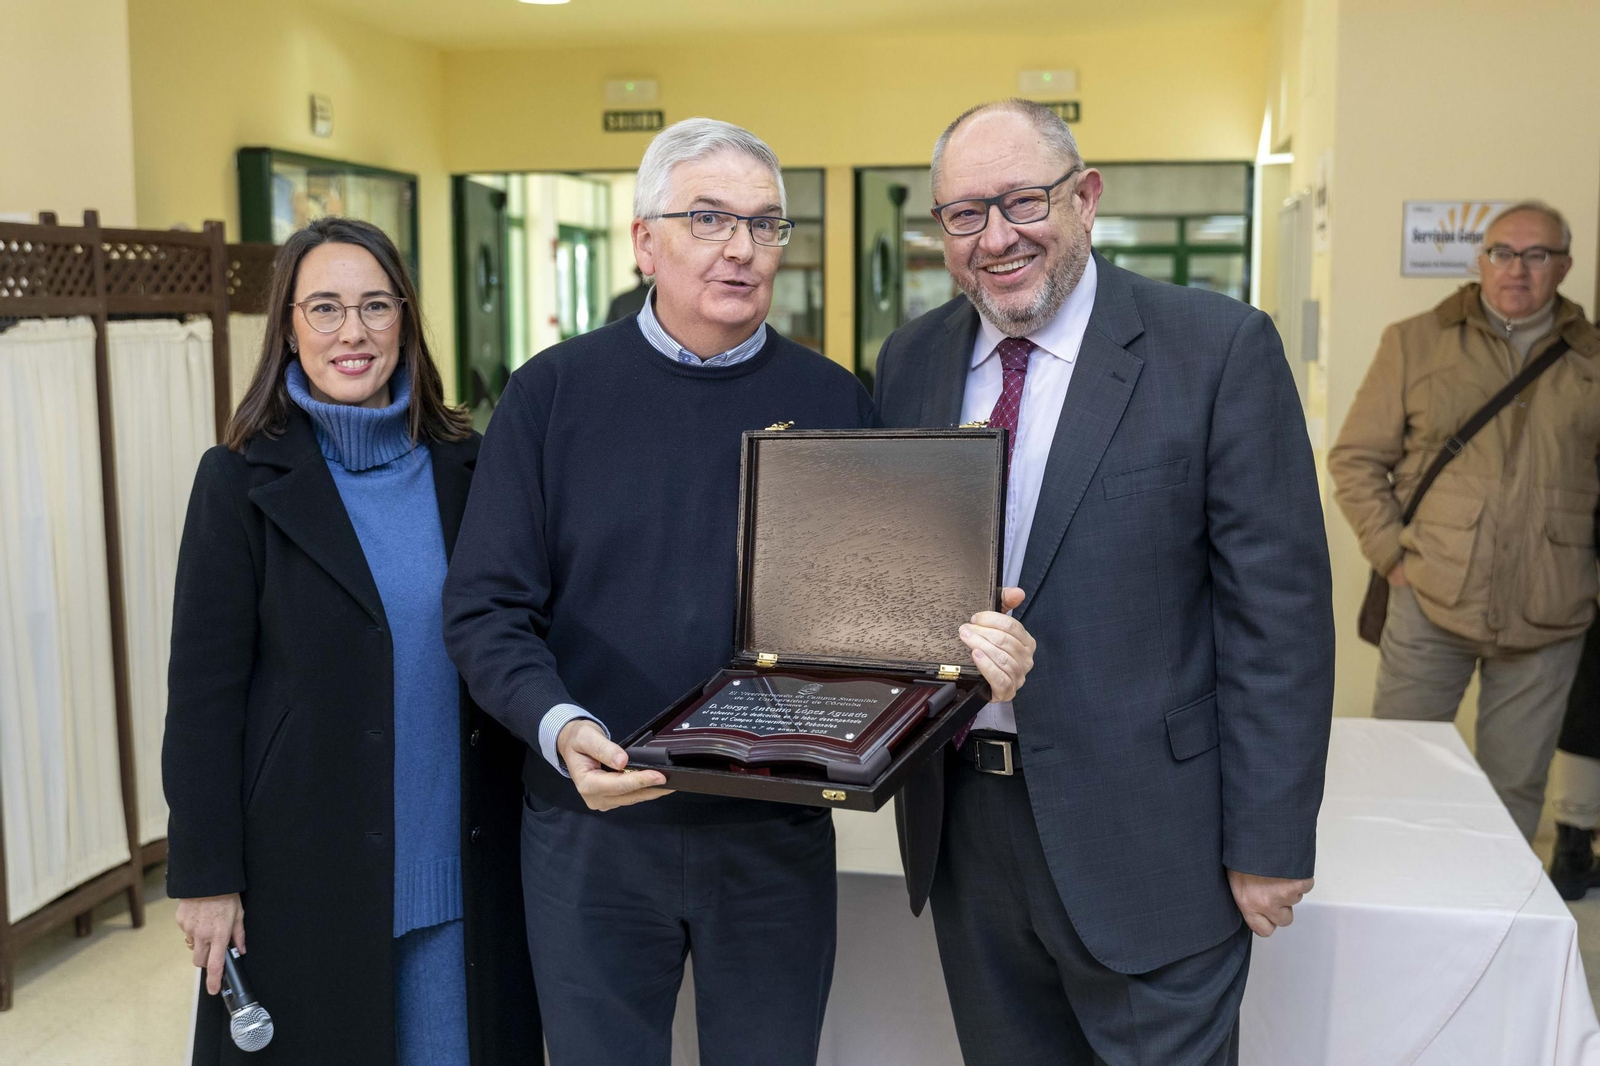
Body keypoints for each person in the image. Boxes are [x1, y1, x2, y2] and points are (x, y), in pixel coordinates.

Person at [442, 117, 1035, 1066]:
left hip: (774, 834)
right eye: (709, 218)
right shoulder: (550, 395)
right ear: (645, 240)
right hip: (593, 830)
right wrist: (560, 729)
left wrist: (960, 647)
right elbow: (484, 611)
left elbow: (876, 618)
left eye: (765, 225)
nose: (741, 249)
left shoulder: (837, 399)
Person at [875, 99, 1334, 1066]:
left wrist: (1271, 839)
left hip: (1153, 844)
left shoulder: (1215, 349)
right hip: (967, 827)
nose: (996, 237)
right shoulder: (912, 359)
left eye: (1023, 201)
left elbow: (1279, 621)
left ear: (1085, 199)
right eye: (964, 213)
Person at [164, 217, 536, 1065]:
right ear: (289, 326)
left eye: (375, 305)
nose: (353, 333)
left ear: (405, 318)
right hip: (306, 883)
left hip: (467, 882)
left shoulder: (474, 470)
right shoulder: (239, 485)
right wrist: (204, 876)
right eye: (324, 308)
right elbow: (203, 702)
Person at [1330, 200, 1600, 841]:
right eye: (1503, 253)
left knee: (1513, 790)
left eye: (1537, 256)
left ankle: (1493, 927)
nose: (1518, 270)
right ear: (1480, 260)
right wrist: (1393, 555)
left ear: (1563, 266)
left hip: (1549, 616)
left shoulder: (1591, 357)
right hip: (1430, 599)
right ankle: (1398, 898)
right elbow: (1356, 459)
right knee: (1398, 773)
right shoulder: (1415, 340)